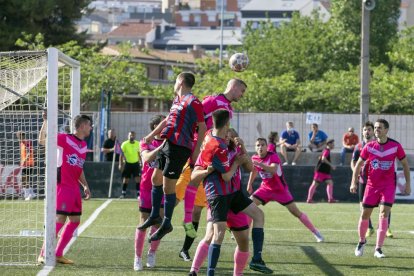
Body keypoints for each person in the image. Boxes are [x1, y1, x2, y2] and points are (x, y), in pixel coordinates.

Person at [192, 110, 270, 275]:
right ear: (224, 128)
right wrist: (209, 169)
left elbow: (250, 167)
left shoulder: (231, 146)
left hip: (234, 195)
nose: (229, 137)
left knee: (245, 237)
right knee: (213, 234)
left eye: (232, 136)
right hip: (218, 196)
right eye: (228, 133)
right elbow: (212, 175)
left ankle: (253, 262)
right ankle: (196, 270)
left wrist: (242, 150)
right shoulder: (215, 147)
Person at [177, 78, 248, 260]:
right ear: (233, 87)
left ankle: (186, 249)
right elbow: (195, 120)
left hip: (212, 163)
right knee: (171, 203)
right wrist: (199, 144)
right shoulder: (212, 101)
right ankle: (155, 235)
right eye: (242, 91)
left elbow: (223, 131)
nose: (242, 95)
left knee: (199, 211)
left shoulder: (228, 109)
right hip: (197, 159)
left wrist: (234, 140)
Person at [138, 72, 207, 242]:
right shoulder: (177, 100)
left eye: (176, 80)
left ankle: (166, 223)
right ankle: (155, 215)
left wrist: (196, 151)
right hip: (168, 142)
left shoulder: (194, 102)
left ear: (181, 82)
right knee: (156, 178)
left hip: (180, 147)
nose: (174, 83)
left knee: (168, 186)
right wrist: (151, 135)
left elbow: (203, 127)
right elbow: (167, 120)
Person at [351, 119, 411, 258]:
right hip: (371, 186)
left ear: (386, 130)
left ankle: (378, 249)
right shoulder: (369, 146)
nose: (376, 130)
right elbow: (358, 164)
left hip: (388, 186)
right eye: (375, 127)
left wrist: (408, 184)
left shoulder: (396, 146)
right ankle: (361, 241)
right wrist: (353, 182)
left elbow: (405, 165)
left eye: (379, 128)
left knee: (384, 214)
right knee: (365, 214)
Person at [37, 114, 92, 265]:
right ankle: (43, 253)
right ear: (81, 126)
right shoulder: (64, 138)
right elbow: (42, 141)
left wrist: (85, 185)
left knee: (75, 220)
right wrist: (46, 121)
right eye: (89, 125)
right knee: (59, 219)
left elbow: (79, 168)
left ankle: (58, 254)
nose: (91, 127)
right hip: (63, 186)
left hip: (74, 188)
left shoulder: (84, 145)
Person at [247, 138, 324, 242]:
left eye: (262, 145)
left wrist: (259, 164)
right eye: (258, 145)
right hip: (265, 189)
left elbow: (273, 170)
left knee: (296, 212)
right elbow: (254, 170)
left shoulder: (273, 156)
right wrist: (249, 184)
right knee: (247, 206)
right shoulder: (255, 157)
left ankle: (316, 232)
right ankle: (244, 233)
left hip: (280, 190)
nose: (260, 147)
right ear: (255, 148)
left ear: (266, 146)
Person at [134, 115, 166, 271]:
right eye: (163, 125)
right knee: (143, 222)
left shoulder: (171, 142)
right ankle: (137, 257)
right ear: (156, 127)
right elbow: (146, 158)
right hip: (147, 187)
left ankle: (151, 253)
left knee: (159, 222)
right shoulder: (145, 142)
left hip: (164, 187)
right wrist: (162, 148)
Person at [350, 121, 377, 238]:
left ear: (373, 132)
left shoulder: (377, 145)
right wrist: (356, 173)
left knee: (382, 205)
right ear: (362, 132)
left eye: (369, 129)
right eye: (365, 129)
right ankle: (370, 227)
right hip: (363, 180)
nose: (367, 132)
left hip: (376, 180)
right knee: (362, 205)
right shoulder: (358, 146)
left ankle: (386, 228)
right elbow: (353, 162)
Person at [306, 139, 337, 203]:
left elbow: (321, 157)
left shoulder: (326, 150)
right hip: (320, 171)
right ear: (329, 144)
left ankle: (330, 199)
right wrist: (331, 165)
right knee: (314, 184)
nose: (334, 145)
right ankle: (309, 199)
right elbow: (323, 159)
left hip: (325, 172)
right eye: (333, 144)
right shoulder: (327, 150)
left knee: (330, 183)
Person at [119, 131, 141, 199]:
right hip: (127, 164)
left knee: (138, 179)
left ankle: (138, 194)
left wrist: (141, 162)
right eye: (130, 135)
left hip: (136, 164)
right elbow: (121, 154)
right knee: (126, 179)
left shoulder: (138, 143)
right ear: (128, 136)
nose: (131, 136)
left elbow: (139, 154)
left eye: (133, 135)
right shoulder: (124, 144)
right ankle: (123, 194)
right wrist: (120, 164)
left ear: (135, 136)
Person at [16, 131, 35, 200]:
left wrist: (25, 160)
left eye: (20, 137)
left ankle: (29, 194)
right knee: (24, 180)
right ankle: (30, 194)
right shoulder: (21, 143)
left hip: (29, 164)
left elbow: (29, 152)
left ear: (23, 136)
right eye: (18, 137)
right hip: (24, 164)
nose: (19, 138)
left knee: (25, 179)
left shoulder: (27, 143)